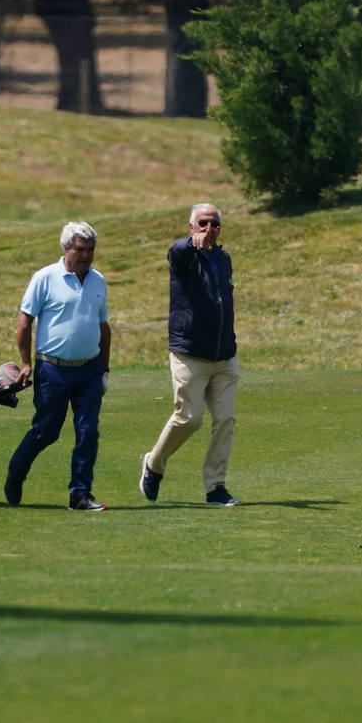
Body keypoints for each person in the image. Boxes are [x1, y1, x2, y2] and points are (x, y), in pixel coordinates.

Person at [4, 221, 112, 511]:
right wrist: (26, 363)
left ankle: (80, 494)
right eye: (81, 249)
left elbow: (104, 327)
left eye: (91, 250)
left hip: (89, 370)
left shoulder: (98, 281)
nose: (87, 256)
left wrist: (104, 369)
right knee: (46, 431)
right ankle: (15, 473)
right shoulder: (45, 278)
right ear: (67, 248)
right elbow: (25, 321)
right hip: (52, 369)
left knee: (88, 430)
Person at [139, 203, 241, 506]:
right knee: (189, 418)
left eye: (215, 224)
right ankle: (154, 465)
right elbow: (175, 252)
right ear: (191, 227)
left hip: (224, 355)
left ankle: (215, 488)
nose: (209, 229)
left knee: (225, 420)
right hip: (190, 353)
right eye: (203, 223)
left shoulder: (224, 259)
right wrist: (188, 244)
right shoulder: (183, 255)